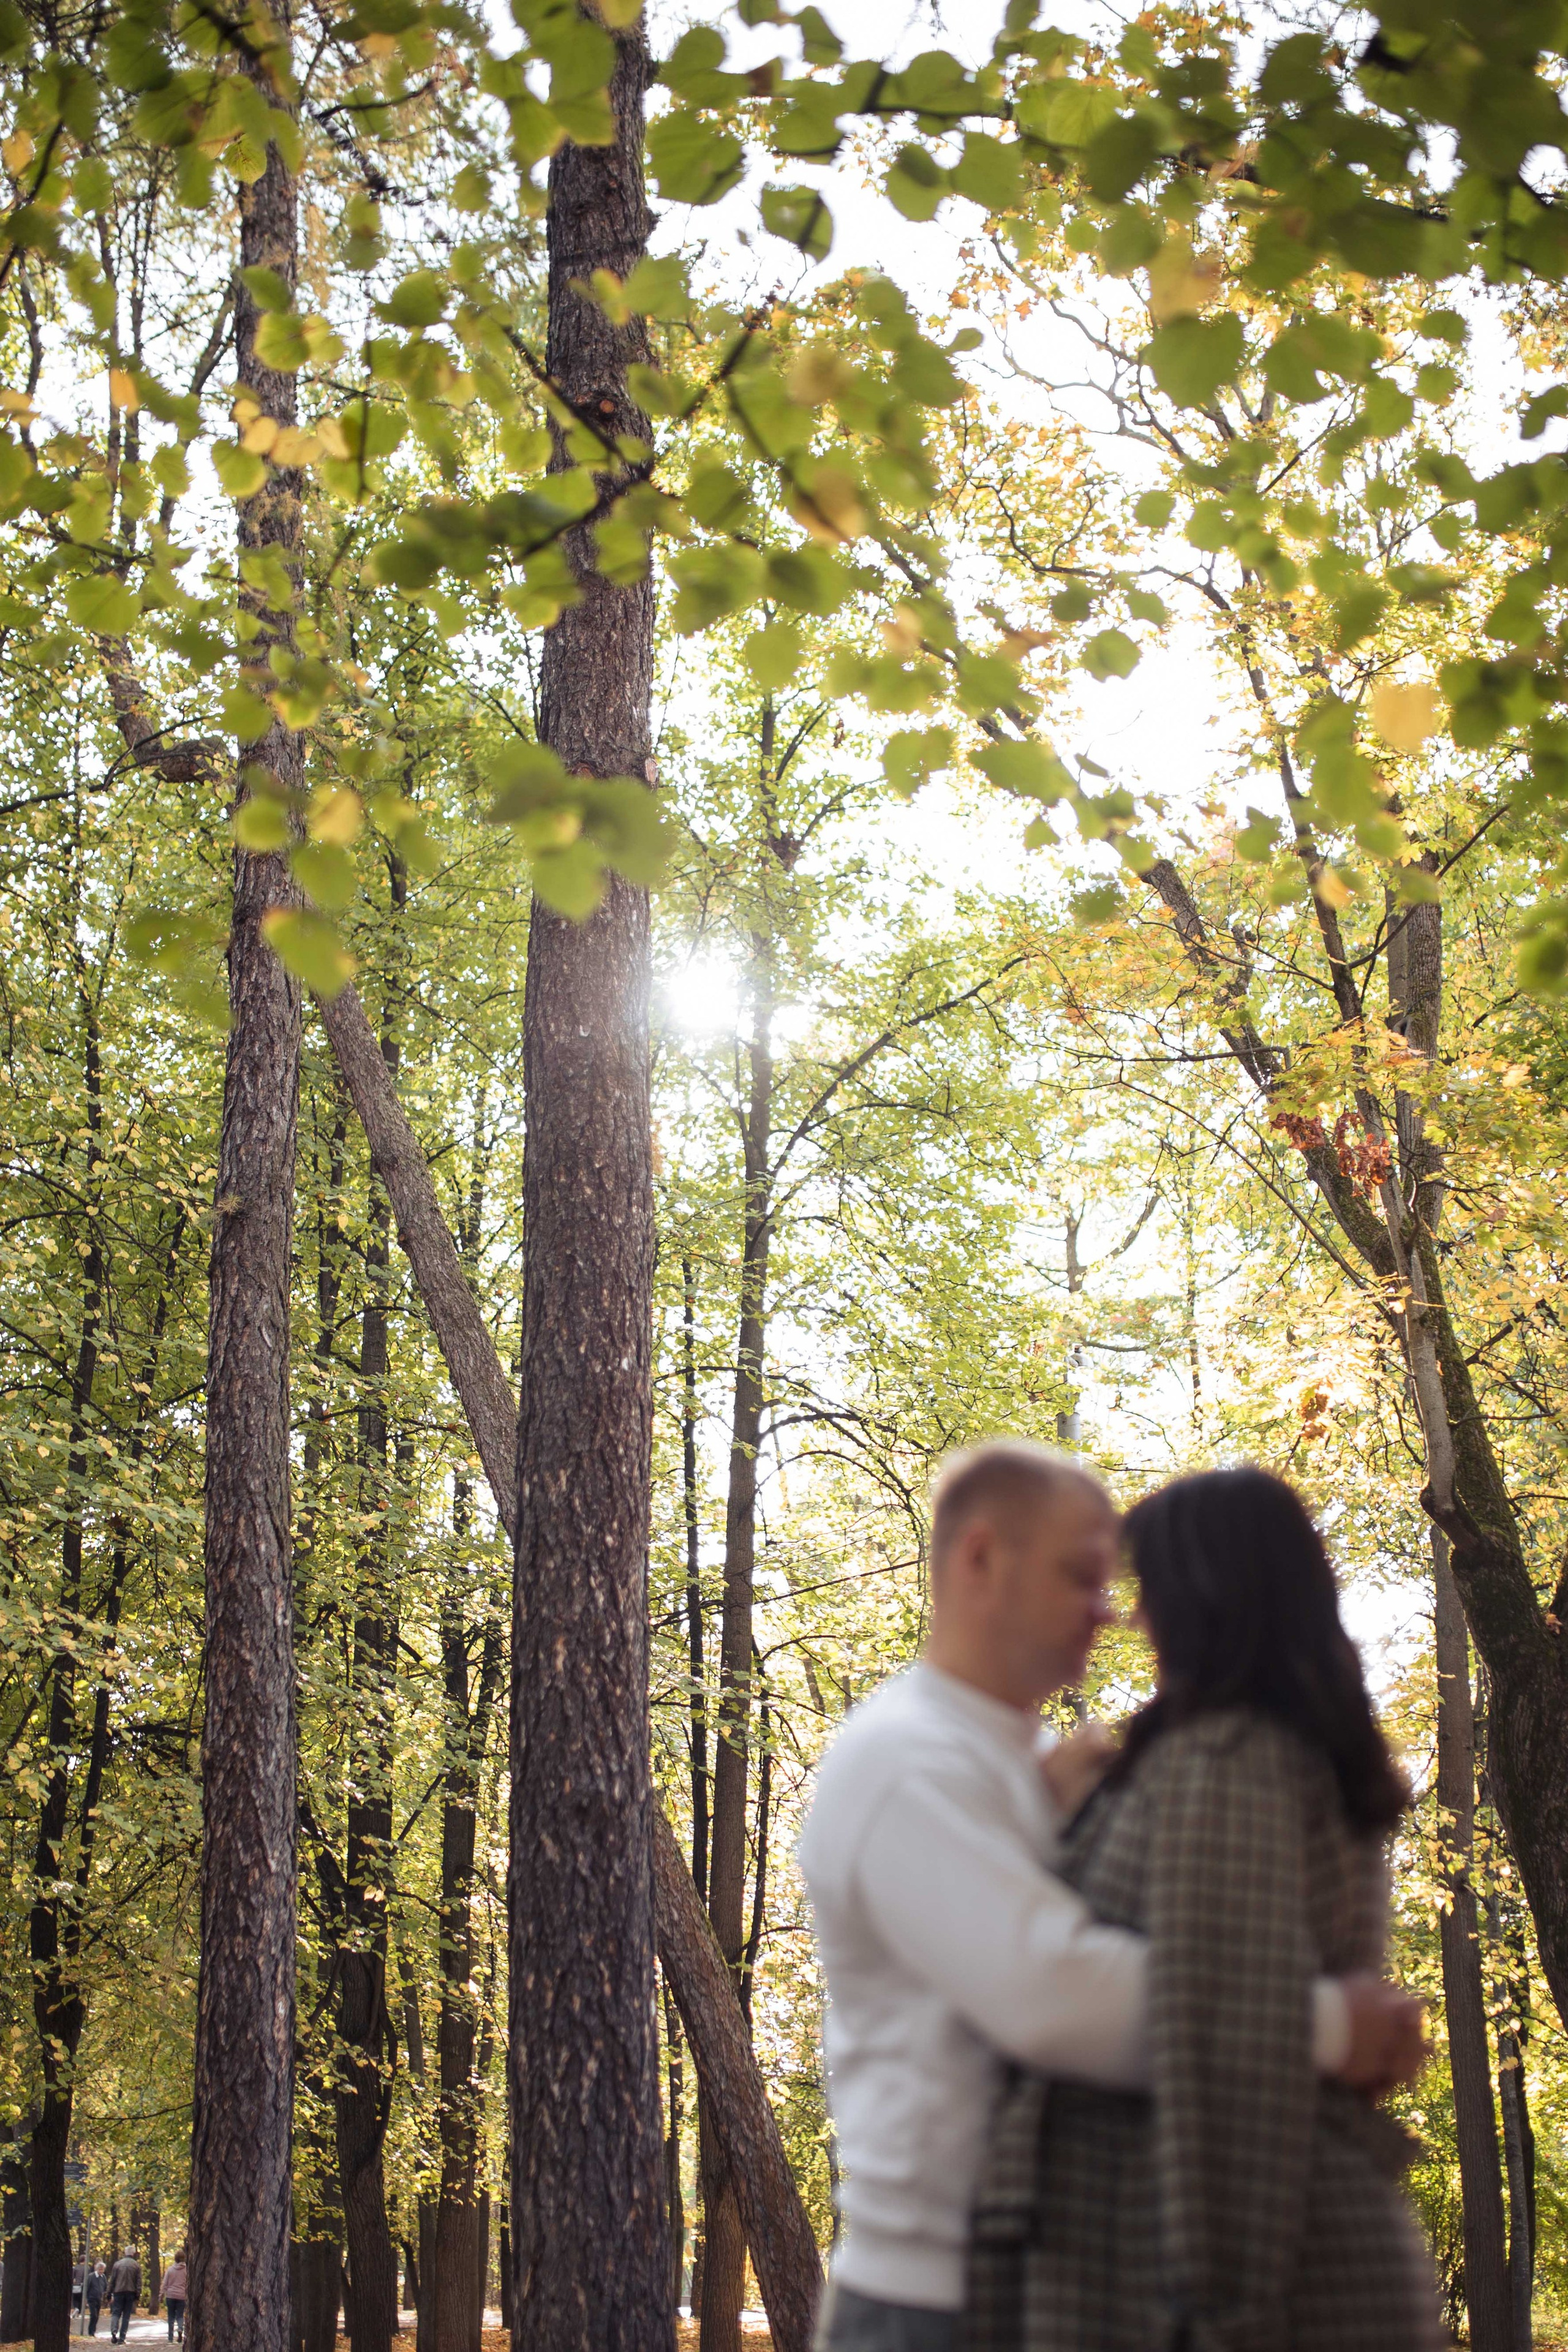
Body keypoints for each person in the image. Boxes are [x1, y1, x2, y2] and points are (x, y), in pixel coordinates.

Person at [798, 1440, 1429, 2352]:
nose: (1114, 1612)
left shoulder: (1058, 1760)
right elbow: (1056, 1995)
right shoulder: (910, 1761)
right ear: (980, 1560)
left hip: (1072, 2268)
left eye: (1127, 1583)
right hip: (935, 2290)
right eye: (1083, 1577)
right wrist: (1332, 2026)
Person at [967, 1466, 1441, 2352]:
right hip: (1232, 2262)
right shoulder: (1266, 1750)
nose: (1134, 1617)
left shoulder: (1225, 1761)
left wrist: (1223, 2307)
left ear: (1209, 1595)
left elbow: (1225, 2049)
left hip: (1226, 2283)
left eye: (1149, 1590)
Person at [107, 2247, 142, 2344]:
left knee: (116, 2313)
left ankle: (114, 2332)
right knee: (126, 2316)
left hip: (118, 2292)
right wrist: (138, 2294)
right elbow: (139, 2281)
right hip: (130, 2292)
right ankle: (122, 2338)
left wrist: (109, 2293)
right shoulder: (136, 2265)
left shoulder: (117, 2264)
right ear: (133, 2254)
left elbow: (112, 2280)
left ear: (125, 2253)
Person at [159, 2250, 187, 2341]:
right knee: (180, 2315)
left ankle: (170, 2337)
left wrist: (161, 2294)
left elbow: (165, 2283)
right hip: (182, 2296)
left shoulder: (170, 2270)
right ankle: (180, 2328)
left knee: (171, 2316)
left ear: (175, 2259)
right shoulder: (187, 2271)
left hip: (170, 2296)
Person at [85, 2261, 107, 2335]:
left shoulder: (103, 2277)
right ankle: (90, 2332)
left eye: (102, 2270)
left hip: (99, 2299)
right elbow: (87, 2287)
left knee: (97, 2316)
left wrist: (105, 2296)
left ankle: (93, 2331)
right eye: (100, 2270)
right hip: (91, 2298)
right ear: (97, 2269)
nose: (101, 2271)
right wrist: (86, 2299)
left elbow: (105, 2287)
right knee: (93, 2315)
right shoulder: (91, 2276)